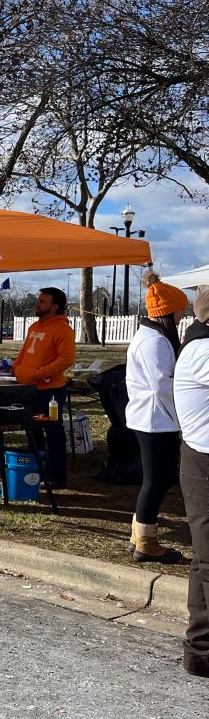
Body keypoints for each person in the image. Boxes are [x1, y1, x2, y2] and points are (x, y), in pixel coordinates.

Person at [125, 273, 190, 563]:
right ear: (167, 311)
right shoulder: (153, 342)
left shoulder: (153, 337)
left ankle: (139, 534)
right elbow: (162, 384)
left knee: (158, 479)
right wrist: (184, 413)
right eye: (180, 309)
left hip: (153, 418)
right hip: (155, 420)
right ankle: (146, 541)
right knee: (157, 480)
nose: (184, 313)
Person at [174, 285, 209, 678]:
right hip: (203, 461)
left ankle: (200, 648)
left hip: (198, 456)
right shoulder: (203, 351)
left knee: (204, 558)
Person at [12, 287, 76, 489]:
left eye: (42, 301)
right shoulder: (34, 327)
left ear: (55, 306)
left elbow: (66, 359)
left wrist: (40, 374)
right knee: (33, 429)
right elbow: (24, 351)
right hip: (29, 391)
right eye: (38, 300)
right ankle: (36, 470)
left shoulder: (62, 329)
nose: (37, 304)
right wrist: (17, 368)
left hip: (50, 394)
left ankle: (56, 476)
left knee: (51, 431)